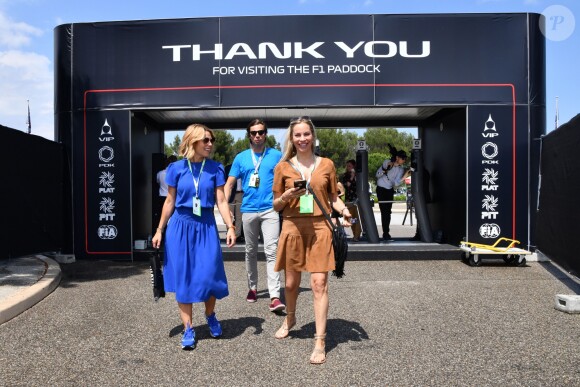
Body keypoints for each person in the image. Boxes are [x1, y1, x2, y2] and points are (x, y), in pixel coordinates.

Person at [272, 116, 352, 365]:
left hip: (320, 227)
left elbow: (332, 199)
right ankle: (291, 318)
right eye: (298, 135)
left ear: (313, 136)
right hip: (292, 227)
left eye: (306, 134)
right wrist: (286, 195)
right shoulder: (283, 166)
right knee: (291, 284)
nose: (303, 139)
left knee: (319, 284)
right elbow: (275, 205)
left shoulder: (327, 164)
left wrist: (344, 211)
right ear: (292, 138)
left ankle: (320, 340)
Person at [152, 124, 236, 350]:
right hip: (180, 226)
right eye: (205, 140)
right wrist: (160, 229)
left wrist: (229, 225)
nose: (210, 144)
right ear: (193, 142)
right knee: (185, 277)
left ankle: (210, 314)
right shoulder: (176, 168)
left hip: (206, 226)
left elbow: (221, 200)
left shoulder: (216, 168)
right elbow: (169, 201)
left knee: (210, 273)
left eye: (211, 140)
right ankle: (188, 328)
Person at [224, 119, 285, 312]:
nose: (257, 135)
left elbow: (287, 178)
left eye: (261, 132)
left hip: (270, 209)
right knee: (250, 251)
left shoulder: (276, 155)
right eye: (253, 133)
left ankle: (275, 295)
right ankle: (252, 287)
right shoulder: (241, 157)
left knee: (272, 250)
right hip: (248, 209)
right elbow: (230, 183)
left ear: (266, 134)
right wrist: (224, 206)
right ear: (249, 135)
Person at [375, 150, 411, 241]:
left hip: (389, 190)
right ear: (397, 158)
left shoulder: (400, 169)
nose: (404, 160)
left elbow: (396, 183)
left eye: (405, 159)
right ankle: (385, 233)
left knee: (388, 212)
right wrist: (386, 168)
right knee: (384, 212)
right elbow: (377, 175)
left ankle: (386, 233)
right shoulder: (387, 162)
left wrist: (404, 177)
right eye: (402, 158)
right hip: (381, 189)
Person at [155, 155, 177, 236]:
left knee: (162, 217)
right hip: (172, 197)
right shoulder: (175, 174)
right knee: (172, 218)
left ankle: (161, 233)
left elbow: (157, 182)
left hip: (161, 197)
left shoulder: (159, 173)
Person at [340, 159, 362, 241]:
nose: (348, 168)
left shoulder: (359, 176)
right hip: (350, 200)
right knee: (352, 219)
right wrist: (352, 176)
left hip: (357, 199)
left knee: (357, 218)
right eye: (347, 166)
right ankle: (354, 234)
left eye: (350, 166)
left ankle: (357, 235)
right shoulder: (346, 176)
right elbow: (347, 185)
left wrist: (354, 175)